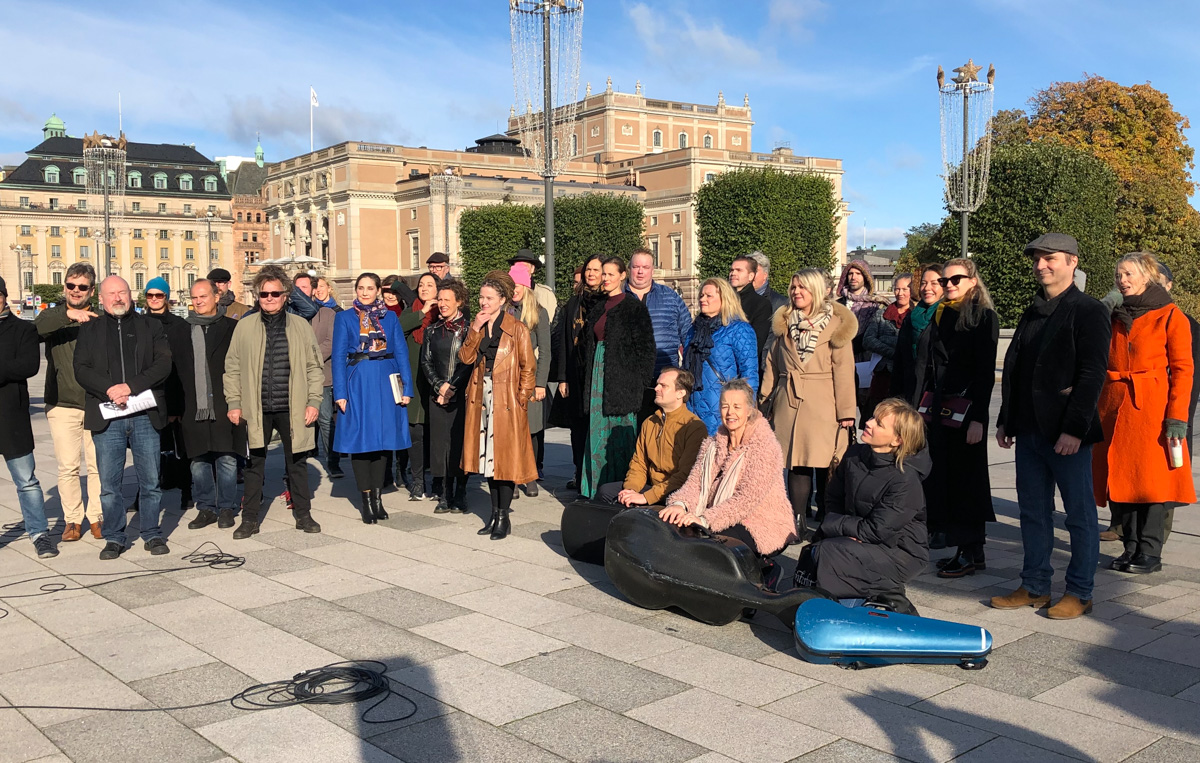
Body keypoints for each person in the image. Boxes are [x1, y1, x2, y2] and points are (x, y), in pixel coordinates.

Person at [992, 233, 1111, 619]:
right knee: (1033, 511)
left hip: (1066, 434)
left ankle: (1080, 591)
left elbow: (1092, 374)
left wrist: (1074, 429)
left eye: (1051, 258)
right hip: (1028, 430)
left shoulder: (1088, 310)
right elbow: (1016, 368)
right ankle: (1035, 585)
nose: (1042, 265)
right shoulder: (1033, 310)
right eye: (1038, 259)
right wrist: (1006, 418)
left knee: (1078, 515)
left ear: (1072, 262)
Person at [1094, 253, 1194, 574]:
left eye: (1128, 274)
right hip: (1114, 409)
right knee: (1122, 482)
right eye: (1118, 274)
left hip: (1151, 410)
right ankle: (1131, 547)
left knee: (1151, 484)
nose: (1121, 280)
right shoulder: (1115, 315)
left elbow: (1183, 370)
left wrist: (1177, 416)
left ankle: (1150, 551)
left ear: (1147, 277)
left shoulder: (1170, 315)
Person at [899, 259, 999, 578]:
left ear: (972, 280)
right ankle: (971, 550)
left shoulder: (983, 316)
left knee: (967, 480)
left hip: (967, 408)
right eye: (944, 280)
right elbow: (924, 363)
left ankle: (969, 550)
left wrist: (979, 419)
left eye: (956, 279)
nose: (948, 284)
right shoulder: (941, 313)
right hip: (940, 407)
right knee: (947, 477)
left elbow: (985, 373)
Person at [75, 276, 173, 559]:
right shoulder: (90, 330)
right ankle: (115, 537)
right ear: (101, 298)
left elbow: (163, 363)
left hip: (144, 414)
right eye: (111, 293)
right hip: (108, 416)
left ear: (131, 296)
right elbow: (80, 368)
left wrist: (130, 386)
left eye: (122, 292)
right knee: (109, 485)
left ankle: (152, 533)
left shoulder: (150, 325)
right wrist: (109, 389)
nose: (117, 298)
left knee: (151, 480)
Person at [223, 266, 325, 539]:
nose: (269, 298)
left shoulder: (300, 326)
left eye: (275, 293)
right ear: (257, 296)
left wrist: (314, 401)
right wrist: (234, 403)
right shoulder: (245, 326)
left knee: (297, 462)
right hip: (256, 408)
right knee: (254, 464)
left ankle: (303, 514)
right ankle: (250, 519)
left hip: (292, 405)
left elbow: (315, 368)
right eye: (264, 294)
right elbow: (231, 367)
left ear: (285, 295)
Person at [660, 379, 795, 583]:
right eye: (725, 406)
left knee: (713, 548)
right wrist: (680, 504)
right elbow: (694, 485)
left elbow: (745, 500)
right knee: (677, 531)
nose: (730, 412)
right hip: (718, 512)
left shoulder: (765, 447)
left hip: (760, 521)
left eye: (737, 406)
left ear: (750, 410)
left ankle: (764, 571)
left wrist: (705, 520)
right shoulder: (712, 444)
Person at [795, 398, 930, 601]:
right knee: (818, 551)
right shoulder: (855, 454)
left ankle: (879, 599)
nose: (868, 423)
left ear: (897, 440)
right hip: (857, 538)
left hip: (900, 552)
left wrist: (835, 526)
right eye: (873, 417)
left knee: (833, 553)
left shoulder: (905, 479)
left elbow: (877, 530)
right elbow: (833, 498)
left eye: (879, 423)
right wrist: (840, 530)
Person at [761, 268, 857, 539]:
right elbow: (772, 364)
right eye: (793, 287)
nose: (795, 292)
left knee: (828, 463)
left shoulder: (836, 326)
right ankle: (797, 520)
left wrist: (847, 412)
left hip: (823, 402)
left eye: (801, 287)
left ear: (815, 290)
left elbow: (844, 370)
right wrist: (764, 401)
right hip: (788, 402)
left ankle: (828, 518)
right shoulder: (783, 322)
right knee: (796, 461)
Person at [459, 272, 538, 539]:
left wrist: (522, 399)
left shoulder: (517, 328)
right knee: (489, 461)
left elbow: (529, 367)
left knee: (505, 460)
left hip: (508, 400)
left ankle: (503, 517)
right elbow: (466, 358)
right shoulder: (478, 324)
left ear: (502, 300)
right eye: (481, 297)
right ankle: (494, 514)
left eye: (489, 298)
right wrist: (474, 329)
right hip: (482, 397)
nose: (483, 302)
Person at [333, 272, 414, 524]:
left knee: (382, 442)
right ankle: (366, 500)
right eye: (361, 288)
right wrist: (340, 393)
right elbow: (337, 357)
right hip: (357, 381)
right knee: (361, 442)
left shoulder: (390, 317)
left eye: (370, 288)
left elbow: (401, 350)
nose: (365, 292)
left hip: (386, 380)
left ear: (379, 290)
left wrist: (407, 388)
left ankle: (378, 498)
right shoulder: (344, 317)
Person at [165, 279, 247, 530]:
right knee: (198, 460)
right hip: (193, 405)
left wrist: (241, 402)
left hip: (225, 403)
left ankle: (226, 507)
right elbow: (173, 372)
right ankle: (205, 508)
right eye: (195, 297)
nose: (198, 301)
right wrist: (174, 409)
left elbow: (242, 367)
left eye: (203, 296)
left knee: (227, 458)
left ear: (216, 296)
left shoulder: (232, 328)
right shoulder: (181, 330)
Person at [35, 262, 103, 541]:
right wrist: (70, 315)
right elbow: (38, 329)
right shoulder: (53, 316)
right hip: (62, 403)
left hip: (95, 402)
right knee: (67, 466)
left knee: (98, 465)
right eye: (71, 285)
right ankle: (73, 520)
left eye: (82, 287)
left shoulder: (101, 320)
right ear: (64, 287)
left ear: (91, 290)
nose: (76, 291)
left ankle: (97, 516)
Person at [580, 256, 657, 498]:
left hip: (622, 380)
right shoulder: (599, 306)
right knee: (596, 432)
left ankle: (620, 489)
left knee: (619, 435)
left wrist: (641, 383)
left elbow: (645, 348)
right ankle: (593, 490)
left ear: (623, 275)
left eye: (611, 274)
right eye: (604, 274)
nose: (605, 279)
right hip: (598, 376)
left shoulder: (634, 307)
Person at [0, 277, 55, 558]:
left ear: (4, 297)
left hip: (12, 416)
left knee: (27, 480)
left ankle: (39, 533)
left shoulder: (23, 329)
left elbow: (29, 365)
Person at [596, 368, 707, 506]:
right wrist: (631, 489)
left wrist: (647, 497)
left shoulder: (694, 427)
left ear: (681, 393)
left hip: (677, 491)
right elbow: (639, 463)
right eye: (657, 384)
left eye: (663, 385)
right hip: (652, 486)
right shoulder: (649, 422)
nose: (656, 388)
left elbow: (685, 475)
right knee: (606, 492)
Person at [138, 277, 191, 514]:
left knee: (180, 448)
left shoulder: (179, 325)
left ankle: (186, 493)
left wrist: (177, 406)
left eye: (159, 295)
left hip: (173, 392)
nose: (154, 300)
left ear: (167, 298)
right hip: (146, 394)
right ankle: (143, 495)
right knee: (146, 450)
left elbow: (183, 365)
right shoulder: (138, 323)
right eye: (150, 295)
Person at [551, 253, 603, 490]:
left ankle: (595, 475)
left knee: (595, 425)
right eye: (588, 270)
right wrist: (562, 376)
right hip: (574, 373)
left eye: (596, 270)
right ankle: (578, 471)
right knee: (577, 427)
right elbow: (563, 341)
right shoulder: (573, 303)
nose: (591, 274)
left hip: (597, 373)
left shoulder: (607, 301)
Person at [421, 279, 473, 513]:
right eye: (439, 300)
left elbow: (469, 363)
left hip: (462, 395)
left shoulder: (471, 329)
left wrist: (452, 387)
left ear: (459, 301)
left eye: (446, 300)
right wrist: (439, 386)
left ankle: (460, 493)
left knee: (460, 445)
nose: (441, 304)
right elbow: (426, 361)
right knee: (440, 445)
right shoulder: (432, 330)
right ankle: (443, 494)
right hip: (438, 395)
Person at [683, 277, 759, 435]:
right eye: (701, 296)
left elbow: (749, 373)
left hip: (722, 408)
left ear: (725, 299)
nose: (703, 299)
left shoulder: (739, 329)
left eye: (709, 296)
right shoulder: (693, 330)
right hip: (691, 407)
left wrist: (744, 410)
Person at [394, 273, 438, 500]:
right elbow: (397, 331)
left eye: (429, 285)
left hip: (436, 382)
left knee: (436, 433)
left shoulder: (442, 313)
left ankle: (439, 482)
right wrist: (421, 313)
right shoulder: (412, 313)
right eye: (421, 285)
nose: (424, 288)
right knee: (416, 432)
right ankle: (418, 482)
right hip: (413, 380)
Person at [510, 265, 551, 497]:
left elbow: (545, 351)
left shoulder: (539, 312)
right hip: (507, 379)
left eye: (517, 285)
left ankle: (531, 473)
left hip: (530, 378)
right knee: (512, 429)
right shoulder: (504, 310)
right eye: (511, 285)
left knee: (532, 430)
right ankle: (514, 475)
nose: (514, 290)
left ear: (526, 286)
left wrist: (540, 384)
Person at [295, 272, 341, 479]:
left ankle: (332, 461)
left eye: (304, 287)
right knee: (297, 419)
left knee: (324, 418)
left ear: (313, 290)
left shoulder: (327, 314)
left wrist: (307, 360)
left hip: (322, 375)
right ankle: (298, 458)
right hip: (294, 377)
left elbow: (331, 343)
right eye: (297, 288)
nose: (300, 292)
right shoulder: (289, 314)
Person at [836, 259, 891, 416]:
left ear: (865, 277)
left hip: (867, 362)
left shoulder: (876, 304)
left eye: (858, 273)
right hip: (841, 359)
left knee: (867, 411)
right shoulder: (837, 304)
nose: (853, 277)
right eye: (851, 273)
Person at [626, 248, 692, 375]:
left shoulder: (670, 297)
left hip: (664, 374)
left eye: (645, 267)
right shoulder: (618, 297)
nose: (640, 271)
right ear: (629, 269)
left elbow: (688, 335)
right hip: (626, 376)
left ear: (652, 270)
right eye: (636, 267)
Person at [861, 273, 912, 423]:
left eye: (905, 289)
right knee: (877, 419)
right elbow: (868, 340)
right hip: (882, 375)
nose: (900, 293)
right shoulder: (882, 314)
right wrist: (895, 352)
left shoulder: (917, 315)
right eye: (897, 289)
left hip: (905, 375)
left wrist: (884, 339)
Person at [728, 255, 773, 356]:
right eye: (732, 270)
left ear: (751, 276)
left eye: (739, 270)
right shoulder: (723, 301)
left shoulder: (761, 304)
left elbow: (756, 343)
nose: (733, 273)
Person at [508, 248, 559, 326]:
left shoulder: (546, 295)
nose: (521, 269)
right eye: (517, 266)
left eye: (524, 266)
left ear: (532, 269)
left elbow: (550, 325)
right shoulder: (507, 295)